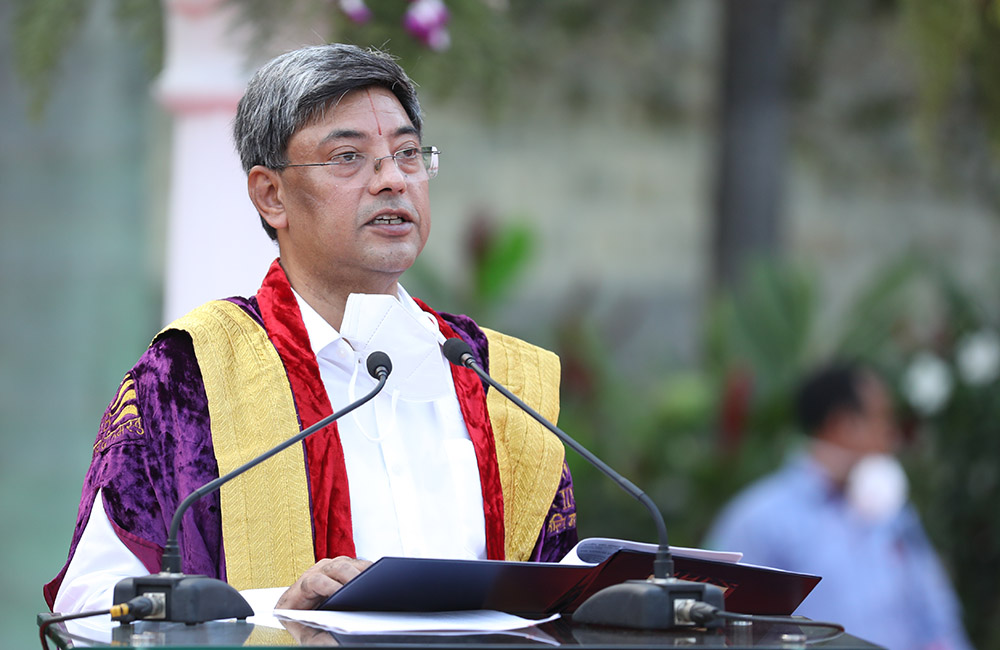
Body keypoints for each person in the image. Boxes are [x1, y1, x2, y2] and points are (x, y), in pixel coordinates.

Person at [45, 43, 577, 614]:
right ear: (271, 195)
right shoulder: (191, 376)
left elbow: (560, 594)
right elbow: (96, 607)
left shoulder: (494, 376)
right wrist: (276, 611)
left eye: (407, 153)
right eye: (349, 157)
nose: (393, 180)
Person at [705, 362, 971, 650]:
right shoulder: (759, 520)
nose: (892, 436)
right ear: (843, 425)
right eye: (883, 419)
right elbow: (719, 625)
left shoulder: (893, 512)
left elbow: (937, 616)